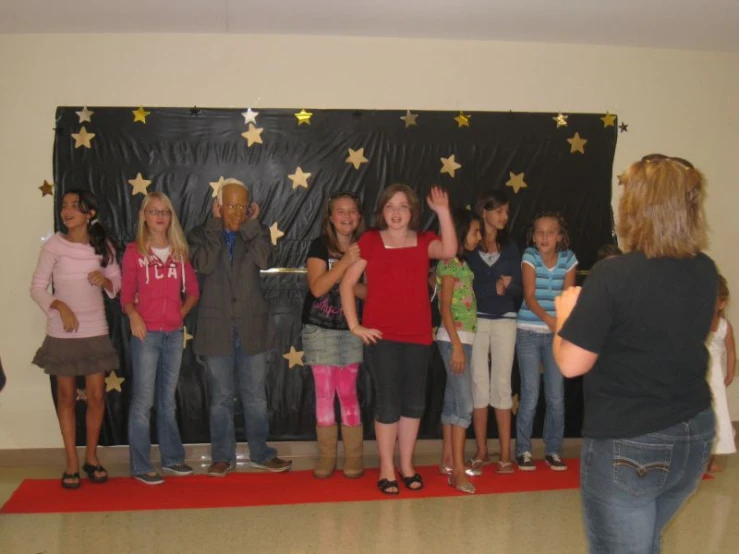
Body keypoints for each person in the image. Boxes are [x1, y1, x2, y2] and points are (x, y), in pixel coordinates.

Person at [554, 153, 718, 553]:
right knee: (644, 543)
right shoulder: (705, 269)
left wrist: (565, 317)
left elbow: (571, 363)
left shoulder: (616, 274)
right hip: (693, 434)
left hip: (631, 443)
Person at [340, 184, 456, 495]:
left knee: (413, 404)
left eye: (403, 206)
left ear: (412, 212)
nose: (396, 212)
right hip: (383, 338)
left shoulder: (423, 241)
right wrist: (355, 325)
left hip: (418, 336)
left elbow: (449, 251)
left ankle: (406, 465)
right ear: (382, 211)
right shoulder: (370, 241)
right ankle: (387, 468)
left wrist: (443, 212)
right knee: (388, 403)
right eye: (390, 206)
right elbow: (347, 283)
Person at [189, 178, 291, 476]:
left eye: (242, 206)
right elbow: (204, 265)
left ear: (250, 208)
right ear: (219, 206)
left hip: (251, 329)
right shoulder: (201, 234)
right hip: (217, 329)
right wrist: (214, 227)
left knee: (256, 396)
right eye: (230, 205)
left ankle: (261, 453)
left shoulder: (253, 232)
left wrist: (252, 226)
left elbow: (264, 258)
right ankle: (222, 456)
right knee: (220, 398)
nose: (236, 211)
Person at [30, 189, 120, 489]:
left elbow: (116, 282)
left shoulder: (102, 245)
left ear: (89, 213)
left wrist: (104, 280)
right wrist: (60, 305)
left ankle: (91, 458)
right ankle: (71, 463)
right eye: (64, 206)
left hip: (95, 331)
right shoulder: (53, 246)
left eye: (75, 206)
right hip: (63, 332)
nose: (67, 211)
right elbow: (38, 288)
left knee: (95, 397)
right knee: (66, 397)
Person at [121, 192, 200, 485]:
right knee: (143, 402)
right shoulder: (134, 252)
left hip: (172, 334)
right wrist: (134, 315)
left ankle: (172, 458)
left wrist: (181, 313)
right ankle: (141, 465)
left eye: (165, 211)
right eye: (154, 211)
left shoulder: (179, 252)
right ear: (144, 215)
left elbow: (193, 290)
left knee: (168, 400)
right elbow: (126, 296)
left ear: (171, 217)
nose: (159, 216)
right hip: (146, 334)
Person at [302, 191, 366, 479]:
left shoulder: (366, 246)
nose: (346, 216)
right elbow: (317, 288)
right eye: (340, 211)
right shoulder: (319, 246)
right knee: (325, 395)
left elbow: (369, 291)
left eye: (352, 211)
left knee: (349, 394)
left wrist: (348, 282)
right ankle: (327, 457)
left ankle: (354, 458)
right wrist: (344, 265)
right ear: (330, 217)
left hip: (352, 329)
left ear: (359, 216)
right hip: (319, 328)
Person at [515, 212, 577, 471]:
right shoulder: (529, 256)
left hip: (556, 334)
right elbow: (529, 296)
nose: (544, 237)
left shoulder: (569, 259)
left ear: (560, 236)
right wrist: (549, 321)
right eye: (539, 232)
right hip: (529, 330)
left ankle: (553, 450)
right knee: (530, 394)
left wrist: (559, 326)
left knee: (556, 395)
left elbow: (568, 297)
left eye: (550, 232)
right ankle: (523, 450)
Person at [467, 190, 522, 475]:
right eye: (499, 211)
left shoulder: (511, 246)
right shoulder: (470, 245)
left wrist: (508, 287)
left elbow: (518, 286)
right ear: (484, 212)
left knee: (502, 385)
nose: (504, 217)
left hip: (505, 320)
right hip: (476, 320)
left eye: (507, 212)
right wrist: (493, 288)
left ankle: (504, 454)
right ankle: (481, 451)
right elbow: (464, 286)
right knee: (478, 383)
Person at [436, 209, 482, 493]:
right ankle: (458, 473)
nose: (479, 236)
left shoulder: (462, 264)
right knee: (464, 405)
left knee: (453, 401)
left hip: (463, 339)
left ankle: (448, 462)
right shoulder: (450, 264)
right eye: (475, 231)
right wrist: (456, 346)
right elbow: (444, 307)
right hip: (454, 339)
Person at [706, 275, 736, 472]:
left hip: (715, 376)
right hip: (699, 374)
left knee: (718, 415)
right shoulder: (697, 323)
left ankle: (714, 456)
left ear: (722, 303)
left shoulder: (725, 326)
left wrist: (731, 372)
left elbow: (731, 351)